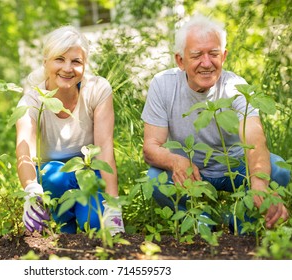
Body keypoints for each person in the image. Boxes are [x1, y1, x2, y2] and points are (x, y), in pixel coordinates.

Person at [141, 14, 290, 232]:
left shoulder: (236, 87)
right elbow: (151, 147)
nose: (207, 63)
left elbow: (255, 139)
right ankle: (202, 221)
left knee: (278, 170)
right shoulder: (162, 85)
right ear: (180, 60)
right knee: (154, 178)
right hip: (192, 172)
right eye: (197, 55)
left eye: (214, 54)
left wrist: (259, 184)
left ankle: (242, 223)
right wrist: (175, 162)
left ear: (224, 56)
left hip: (235, 169)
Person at [16, 25, 125, 235]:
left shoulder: (97, 90)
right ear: (45, 62)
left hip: (89, 175)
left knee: (97, 226)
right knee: (57, 178)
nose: (67, 68)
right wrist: (30, 190)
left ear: (84, 65)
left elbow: (104, 148)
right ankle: (61, 226)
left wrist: (113, 204)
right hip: (51, 181)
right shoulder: (30, 101)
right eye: (59, 59)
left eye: (76, 61)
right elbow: (25, 152)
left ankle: (86, 217)